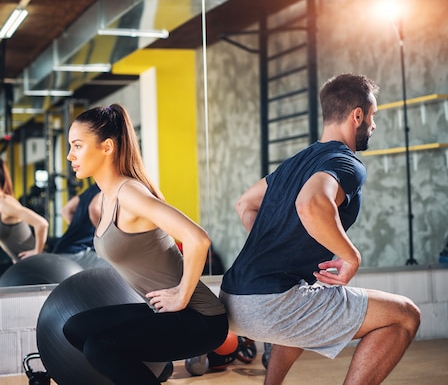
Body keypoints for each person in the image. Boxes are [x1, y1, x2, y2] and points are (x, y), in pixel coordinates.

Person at [219, 73, 421, 385]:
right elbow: (311, 203)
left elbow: (244, 204)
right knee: (406, 315)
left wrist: (280, 243)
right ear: (357, 116)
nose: (374, 125)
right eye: (373, 116)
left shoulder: (295, 163)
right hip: (270, 303)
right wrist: (351, 257)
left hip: (234, 297)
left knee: (309, 293)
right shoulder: (346, 163)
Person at [62, 103, 228, 385]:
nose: (70, 155)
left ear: (107, 147)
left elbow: (198, 239)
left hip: (200, 319)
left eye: (77, 146)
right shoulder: (105, 196)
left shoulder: (131, 194)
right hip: (163, 313)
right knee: (76, 328)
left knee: (99, 347)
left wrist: (180, 296)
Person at [0, 157, 49, 287]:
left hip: (36, 266)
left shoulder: (5, 204)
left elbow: (42, 223)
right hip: (20, 263)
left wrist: (37, 252)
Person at [48, 182, 110, 269]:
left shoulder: (94, 188)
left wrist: (79, 228)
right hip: (77, 253)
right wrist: (106, 235)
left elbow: (66, 210)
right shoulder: (109, 187)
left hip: (63, 250)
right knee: (122, 266)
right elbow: (94, 208)